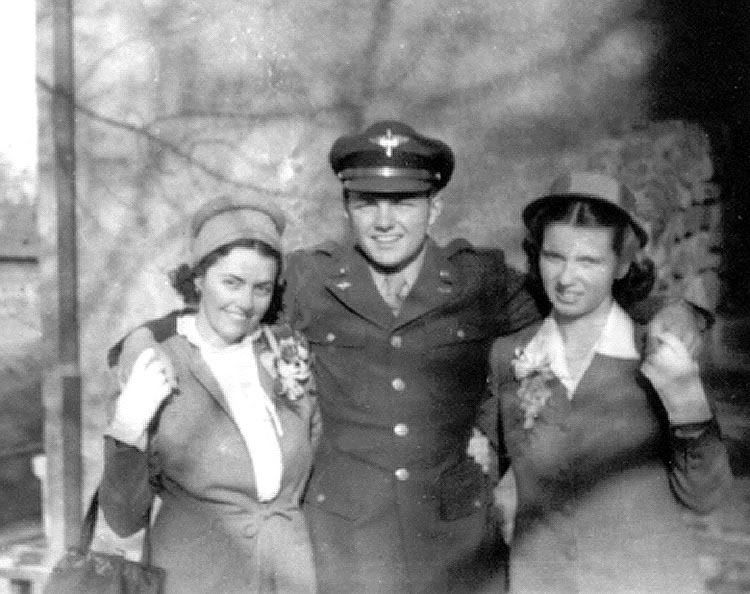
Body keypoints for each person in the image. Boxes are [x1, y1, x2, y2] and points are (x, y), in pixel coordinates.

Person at [282, 120, 541, 592]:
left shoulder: (479, 281)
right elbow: (223, 309)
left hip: (455, 537)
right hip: (347, 540)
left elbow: (573, 312)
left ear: (434, 207)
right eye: (367, 203)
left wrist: (493, 427)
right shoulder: (309, 280)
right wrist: (148, 338)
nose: (384, 222)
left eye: (403, 202)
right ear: (346, 207)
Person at [488, 172, 732, 593]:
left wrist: (687, 403)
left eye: (589, 261)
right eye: (554, 257)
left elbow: (705, 496)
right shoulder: (510, 356)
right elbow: (485, 468)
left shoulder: (658, 353)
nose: (566, 278)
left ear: (621, 265)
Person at [99, 195, 321, 593]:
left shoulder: (285, 353)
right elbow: (123, 519)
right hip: (197, 578)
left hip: (289, 577)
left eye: (261, 288)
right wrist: (127, 429)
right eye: (231, 283)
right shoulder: (160, 363)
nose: (245, 303)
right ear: (199, 279)